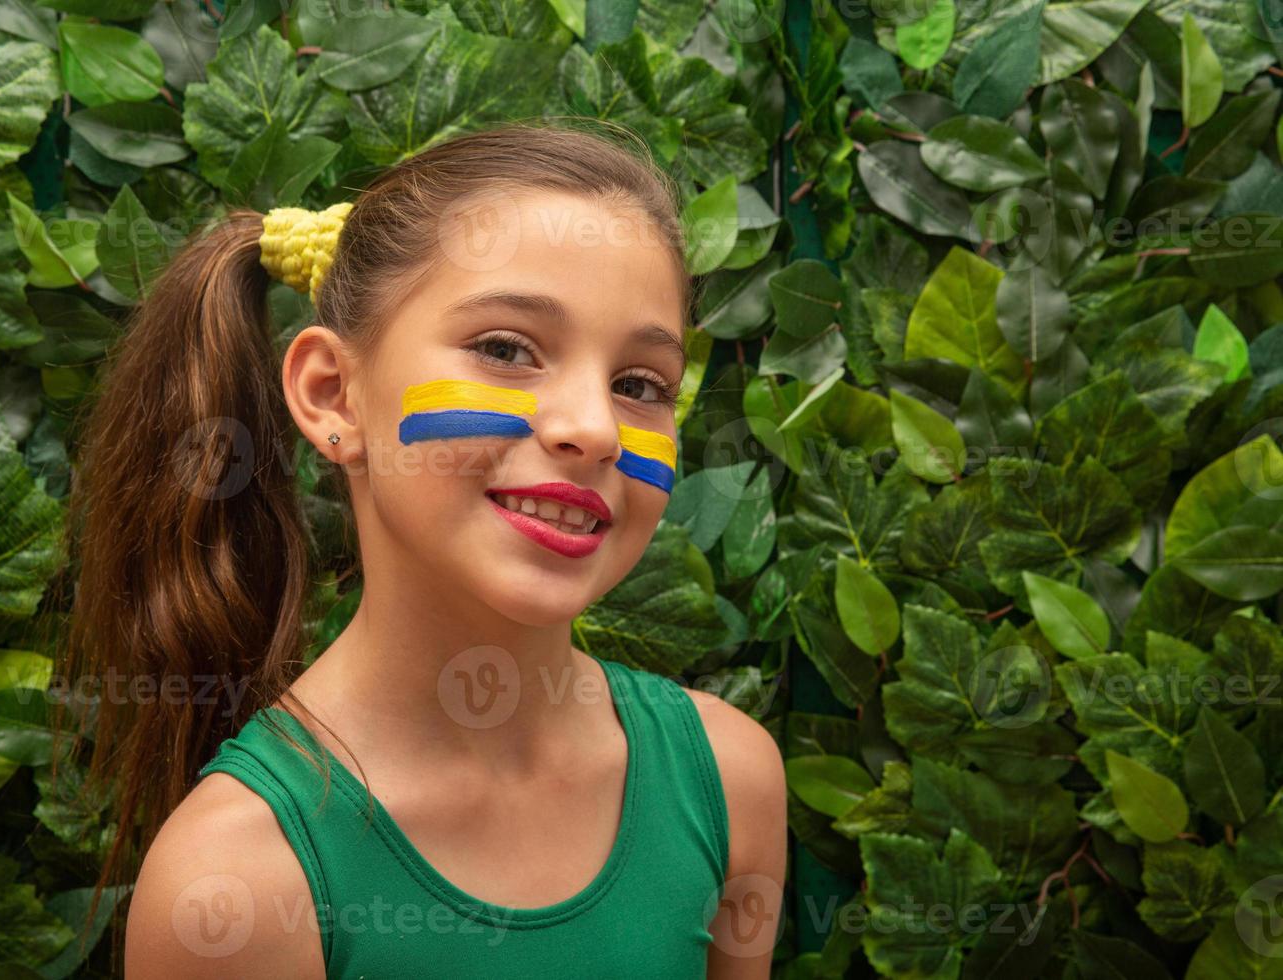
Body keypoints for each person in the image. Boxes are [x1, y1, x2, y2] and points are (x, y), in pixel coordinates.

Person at [57, 118, 786, 978]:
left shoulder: (730, 781)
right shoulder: (240, 883)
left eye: (640, 385)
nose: (594, 428)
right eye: (506, 348)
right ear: (332, 396)